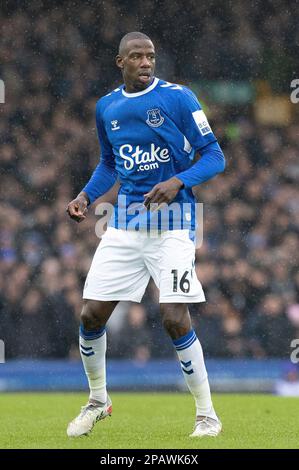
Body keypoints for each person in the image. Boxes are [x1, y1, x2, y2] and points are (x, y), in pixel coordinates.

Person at [66, 31, 225, 438]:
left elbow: (214, 156)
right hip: (124, 225)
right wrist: (86, 196)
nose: (145, 63)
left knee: (174, 316)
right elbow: (109, 163)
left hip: (174, 225)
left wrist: (177, 181)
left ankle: (207, 415)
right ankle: (98, 400)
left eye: (150, 56)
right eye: (136, 57)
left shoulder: (179, 98)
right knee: (90, 314)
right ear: (121, 62)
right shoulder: (107, 107)